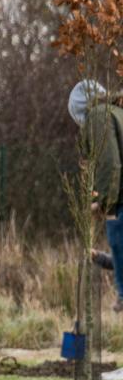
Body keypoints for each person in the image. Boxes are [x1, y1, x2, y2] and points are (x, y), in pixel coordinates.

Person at [68, 79, 123, 310]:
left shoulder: (99, 116)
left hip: (120, 200)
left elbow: (110, 164)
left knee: (116, 234)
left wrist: (102, 204)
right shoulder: (117, 111)